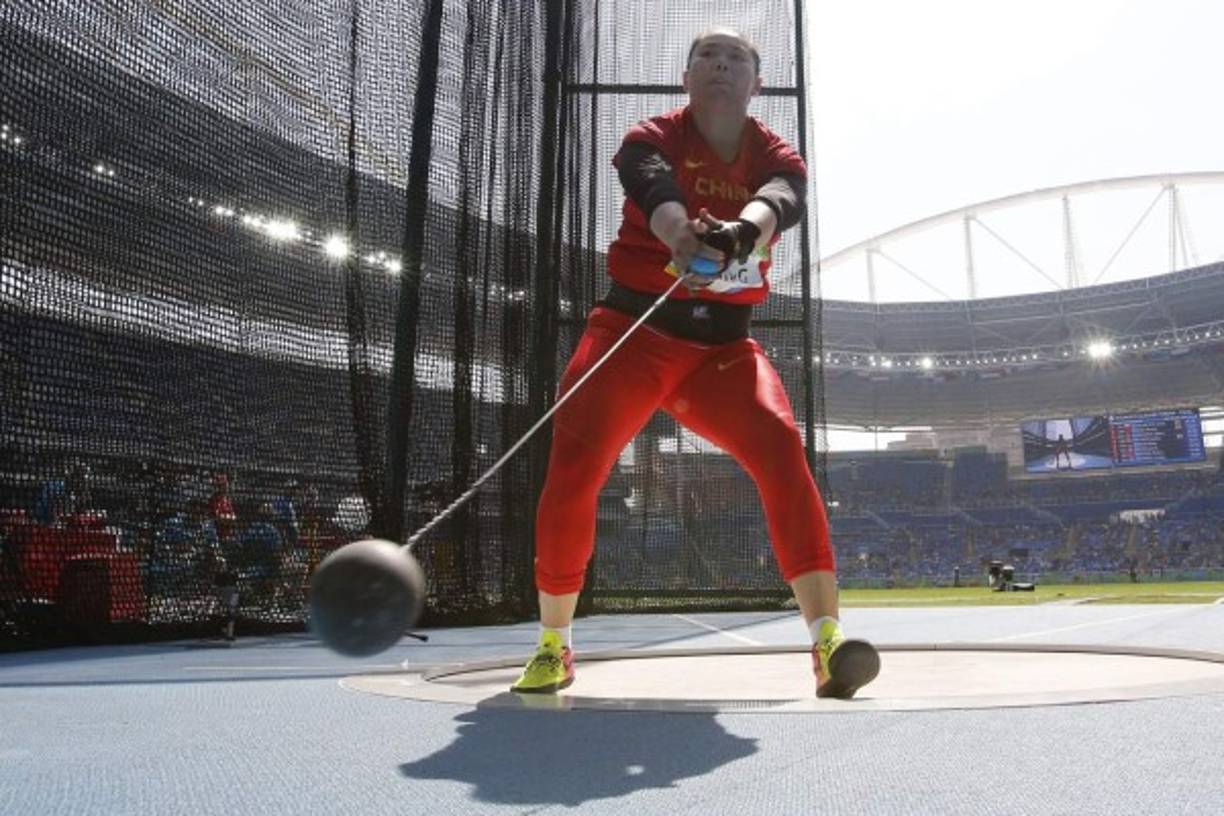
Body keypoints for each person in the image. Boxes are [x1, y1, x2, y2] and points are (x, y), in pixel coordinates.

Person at [511, 27, 879, 699]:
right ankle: (553, 644)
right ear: (686, 78)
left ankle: (828, 644)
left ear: (756, 85)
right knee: (574, 467)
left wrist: (743, 231)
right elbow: (653, 190)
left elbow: (780, 199)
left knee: (782, 449)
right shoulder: (650, 136)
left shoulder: (777, 154)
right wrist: (682, 235)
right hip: (632, 335)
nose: (720, 65)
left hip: (723, 354)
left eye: (736, 58)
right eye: (706, 56)